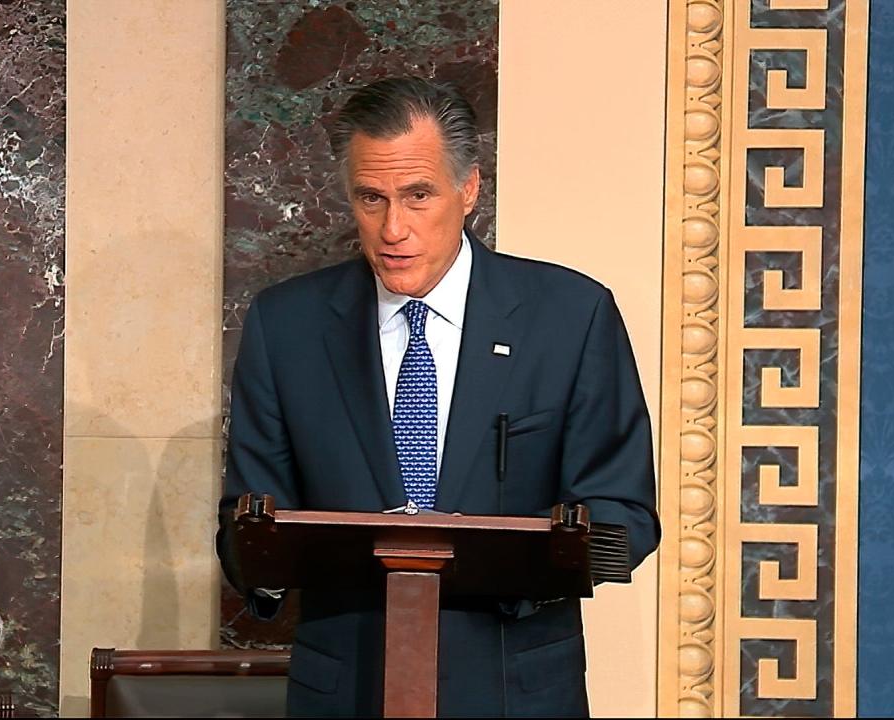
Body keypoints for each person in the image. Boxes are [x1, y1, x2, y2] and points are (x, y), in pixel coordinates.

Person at [217, 76, 660, 718]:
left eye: (418, 195)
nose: (393, 227)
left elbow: (624, 513)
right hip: (345, 690)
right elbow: (247, 524)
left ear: (469, 188)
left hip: (515, 689)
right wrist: (259, 556)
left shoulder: (571, 317)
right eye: (372, 198)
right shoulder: (285, 326)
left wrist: (515, 562)